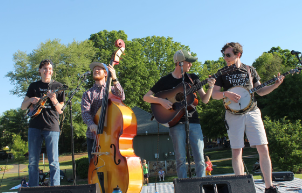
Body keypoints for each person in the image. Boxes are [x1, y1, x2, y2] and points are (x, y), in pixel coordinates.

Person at [212, 42, 284, 193]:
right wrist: (227, 94)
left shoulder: (250, 70)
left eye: (228, 55)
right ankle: (241, 189)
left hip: (252, 111)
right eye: (224, 55)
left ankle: (269, 187)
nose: (225, 58)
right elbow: (214, 94)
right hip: (233, 114)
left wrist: (275, 85)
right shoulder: (221, 72)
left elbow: (261, 91)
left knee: (263, 148)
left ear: (238, 54)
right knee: (237, 151)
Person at [143, 49, 216, 178]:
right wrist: (161, 101)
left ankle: (201, 185)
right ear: (180, 63)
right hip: (175, 123)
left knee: (199, 157)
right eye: (189, 62)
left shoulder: (193, 78)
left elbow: (204, 100)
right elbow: (146, 97)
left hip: (193, 121)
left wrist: (210, 87)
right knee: (180, 159)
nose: (191, 65)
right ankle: (183, 186)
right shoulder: (165, 80)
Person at [21, 59, 65, 187]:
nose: (47, 71)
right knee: (33, 162)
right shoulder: (33, 86)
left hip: (52, 126)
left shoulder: (58, 86)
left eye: (50, 68)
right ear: (40, 70)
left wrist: (54, 99)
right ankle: (33, 188)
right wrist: (31, 100)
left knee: (53, 162)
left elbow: (61, 110)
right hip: (34, 127)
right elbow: (23, 107)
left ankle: (55, 188)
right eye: (45, 68)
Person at [81, 62, 125, 162]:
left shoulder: (113, 90)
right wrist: (91, 124)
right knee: (94, 165)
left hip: (112, 135)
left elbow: (122, 96)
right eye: (94, 69)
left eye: (99, 69)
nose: (96, 70)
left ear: (106, 73)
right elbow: (85, 112)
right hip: (94, 136)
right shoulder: (88, 93)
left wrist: (114, 78)